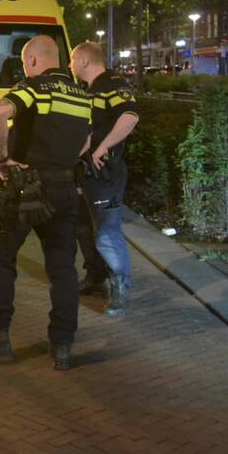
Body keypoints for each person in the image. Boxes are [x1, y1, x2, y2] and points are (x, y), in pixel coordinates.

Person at [0, 35, 91, 371]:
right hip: (64, 188)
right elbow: (87, 140)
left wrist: (2, 160)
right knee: (62, 268)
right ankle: (62, 345)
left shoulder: (35, 87)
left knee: (0, 255)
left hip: (26, 188)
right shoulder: (81, 95)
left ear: (31, 61)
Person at [71, 42, 140, 316]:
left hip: (104, 172)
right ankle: (95, 278)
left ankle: (120, 287)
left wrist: (102, 147)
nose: (71, 66)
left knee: (107, 232)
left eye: (73, 61)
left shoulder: (113, 84)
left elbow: (130, 116)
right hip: (85, 171)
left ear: (85, 61)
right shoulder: (88, 90)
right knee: (83, 227)